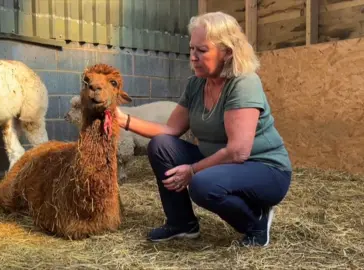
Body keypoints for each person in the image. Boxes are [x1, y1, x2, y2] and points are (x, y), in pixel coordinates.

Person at [115, 11, 292, 247]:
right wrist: (122, 119)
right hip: (220, 163)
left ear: (227, 52)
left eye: (202, 50)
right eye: (191, 49)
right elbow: (170, 129)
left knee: (202, 184)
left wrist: (192, 170)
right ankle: (182, 223)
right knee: (161, 146)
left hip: (264, 169)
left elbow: (238, 152)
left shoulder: (243, 83)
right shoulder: (196, 83)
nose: (193, 57)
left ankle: (256, 222)